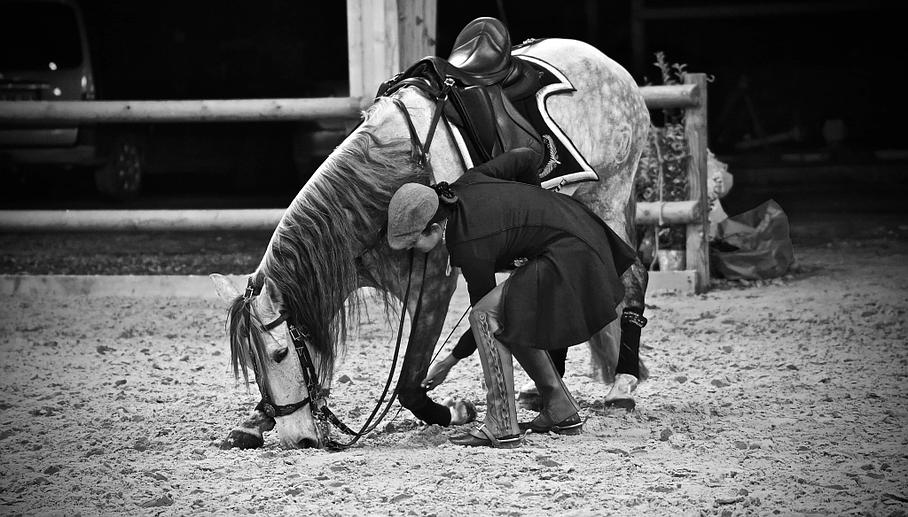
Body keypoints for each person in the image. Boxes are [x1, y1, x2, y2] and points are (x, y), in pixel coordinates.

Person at [386, 148, 636, 447]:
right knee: (508, 310)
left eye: (413, 243)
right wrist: (536, 204)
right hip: (580, 234)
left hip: (575, 255)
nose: (412, 250)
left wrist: (450, 361)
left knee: (487, 315)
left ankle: (502, 422)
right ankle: (560, 408)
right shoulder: (467, 183)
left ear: (436, 228)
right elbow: (525, 156)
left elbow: (483, 317)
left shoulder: (469, 244)